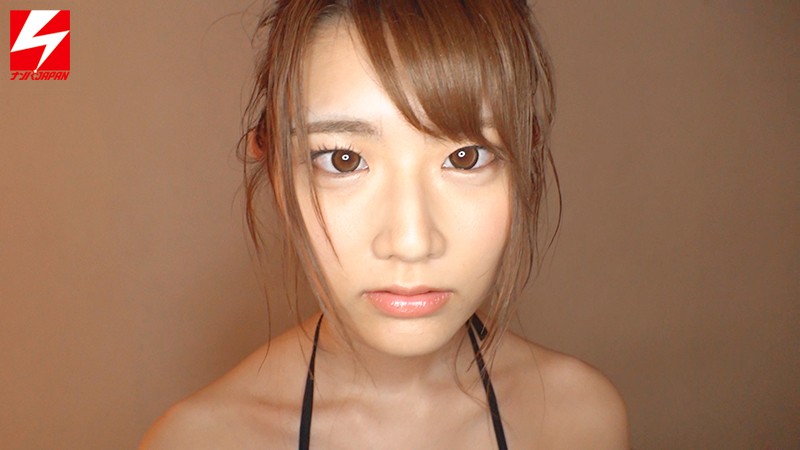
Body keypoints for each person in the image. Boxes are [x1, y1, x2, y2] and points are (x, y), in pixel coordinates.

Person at [141, 0, 629, 448]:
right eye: (344, 159)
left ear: (525, 154)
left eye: (466, 157)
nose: (412, 241)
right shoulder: (194, 441)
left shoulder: (583, 420)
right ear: (272, 167)